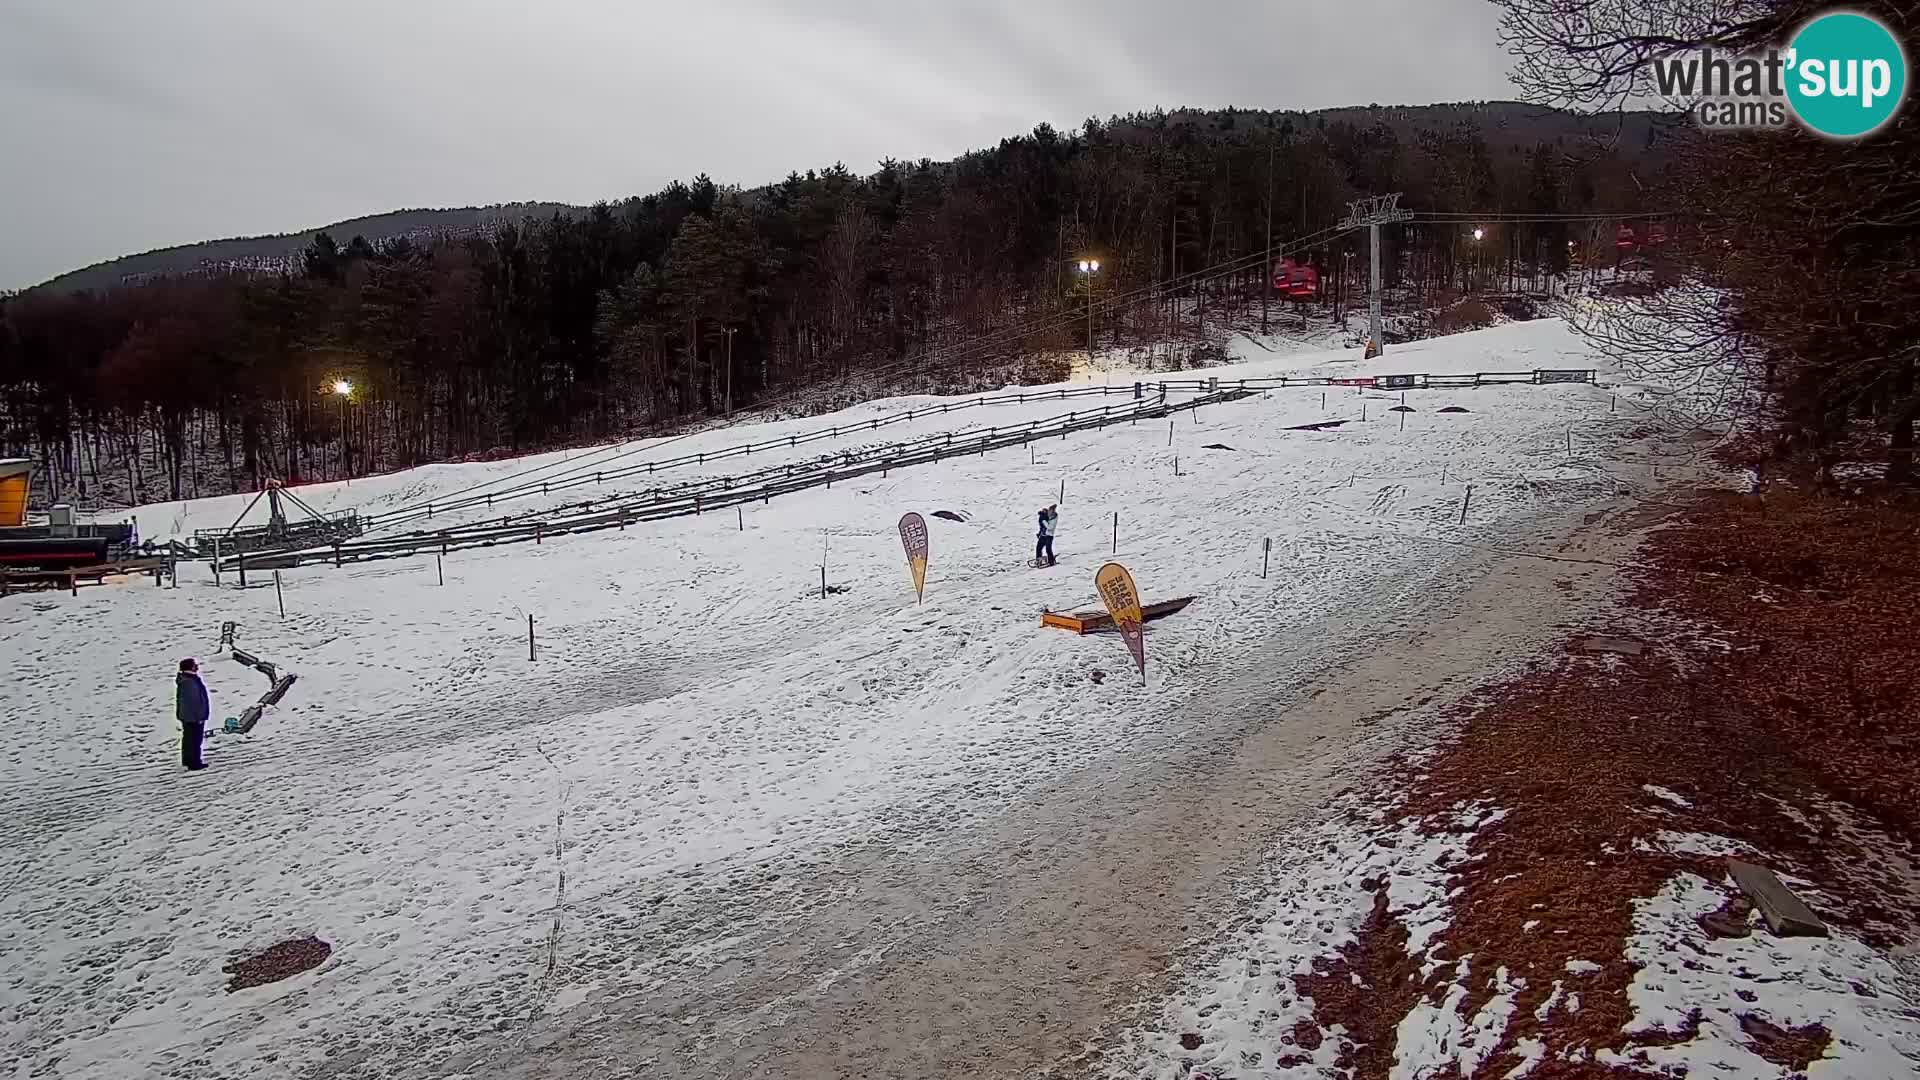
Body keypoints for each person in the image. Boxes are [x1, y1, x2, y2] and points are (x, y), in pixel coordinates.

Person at [176, 658, 210, 771]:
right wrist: (199, 716)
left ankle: (188, 760)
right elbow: (194, 701)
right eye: (194, 664)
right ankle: (194, 763)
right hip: (193, 716)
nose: (197, 666)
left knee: (189, 739)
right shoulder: (189, 681)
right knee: (194, 740)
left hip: (188, 715)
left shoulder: (187, 679)